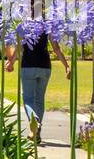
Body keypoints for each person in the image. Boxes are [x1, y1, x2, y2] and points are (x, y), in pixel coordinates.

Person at [6, 10, 70, 144]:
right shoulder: (48, 25)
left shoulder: (23, 25)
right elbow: (56, 48)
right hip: (45, 66)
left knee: (28, 99)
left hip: (28, 66)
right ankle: (36, 132)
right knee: (40, 99)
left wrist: (11, 62)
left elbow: (19, 48)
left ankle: (35, 123)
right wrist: (66, 66)